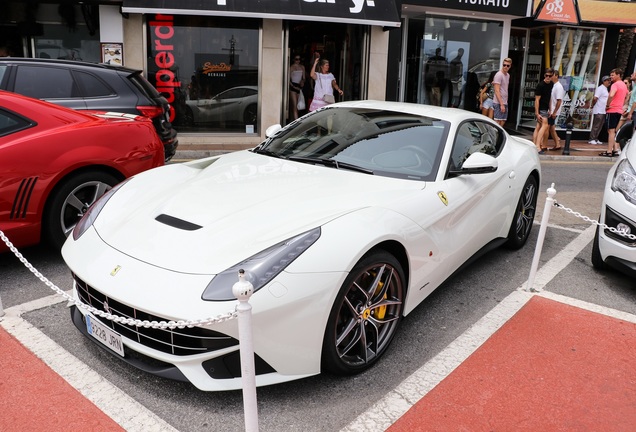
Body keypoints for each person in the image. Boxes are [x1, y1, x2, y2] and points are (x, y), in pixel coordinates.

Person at [601, 68, 629, 157]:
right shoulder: (624, 85)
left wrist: (607, 105)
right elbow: (627, 95)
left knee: (611, 131)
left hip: (612, 110)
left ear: (618, 75)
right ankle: (615, 149)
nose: (611, 77)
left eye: (613, 75)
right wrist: (623, 104)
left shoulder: (615, 85)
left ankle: (609, 151)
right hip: (619, 110)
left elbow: (611, 95)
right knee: (614, 130)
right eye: (611, 75)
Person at [533, 68, 554, 153]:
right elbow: (537, 99)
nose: (548, 77)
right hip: (541, 108)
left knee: (538, 127)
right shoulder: (541, 85)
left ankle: (534, 145)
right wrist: (537, 113)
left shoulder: (551, 84)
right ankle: (538, 146)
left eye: (550, 76)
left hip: (545, 108)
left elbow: (549, 97)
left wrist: (550, 109)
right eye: (546, 75)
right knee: (544, 126)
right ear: (544, 75)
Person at [588, 75, 611, 145]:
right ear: (604, 81)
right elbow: (595, 98)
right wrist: (592, 105)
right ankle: (591, 138)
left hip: (603, 110)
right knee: (596, 125)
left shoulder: (605, 89)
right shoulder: (600, 88)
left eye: (609, 80)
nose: (609, 82)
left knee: (600, 125)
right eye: (607, 80)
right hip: (599, 109)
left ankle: (595, 138)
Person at [546, 70, 565, 150]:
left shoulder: (559, 87)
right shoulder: (554, 85)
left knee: (548, 127)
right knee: (551, 128)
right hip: (552, 109)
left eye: (551, 75)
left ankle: (544, 144)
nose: (550, 77)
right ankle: (557, 143)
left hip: (554, 110)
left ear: (556, 76)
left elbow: (559, 101)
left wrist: (554, 112)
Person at [493, 58, 512, 126]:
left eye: (507, 65)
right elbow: (497, 91)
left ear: (510, 66)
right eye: (504, 65)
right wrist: (501, 104)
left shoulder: (508, 75)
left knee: (503, 120)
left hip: (504, 101)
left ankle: (498, 135)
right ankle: (495, 135)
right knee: (497, 121)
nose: (505, 67)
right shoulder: (499, 75)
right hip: (498, 102)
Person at [289, 54, 306, 120]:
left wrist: (302, 82)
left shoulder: (302, 67)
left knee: (299, 106)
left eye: (299, 59)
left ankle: (297, 119)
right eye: (296, 59)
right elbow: (288, 79)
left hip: (299, 86)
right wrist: (292, 86)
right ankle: (296, 121)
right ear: (294, 60)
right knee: (295, 106)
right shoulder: (291, 67)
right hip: (293, 86)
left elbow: (304, 78)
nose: (298, 61)